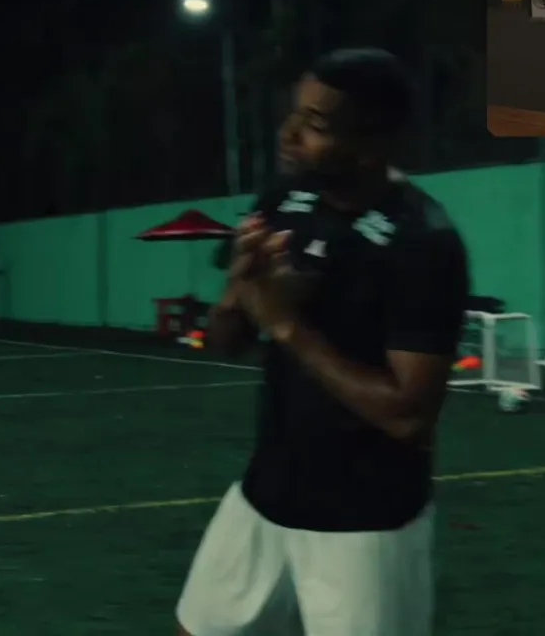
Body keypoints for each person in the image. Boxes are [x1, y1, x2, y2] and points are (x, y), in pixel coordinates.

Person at [175, 48, 471, 636]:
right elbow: (224, 341)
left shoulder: (423, 244)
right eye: (294, 114)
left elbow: (408, 414)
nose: (287, 134)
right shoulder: (284, 200)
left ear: (371, 143)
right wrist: (242, 288)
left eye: (313, 123)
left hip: (366, 526)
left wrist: (288, 325)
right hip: (264, 496)